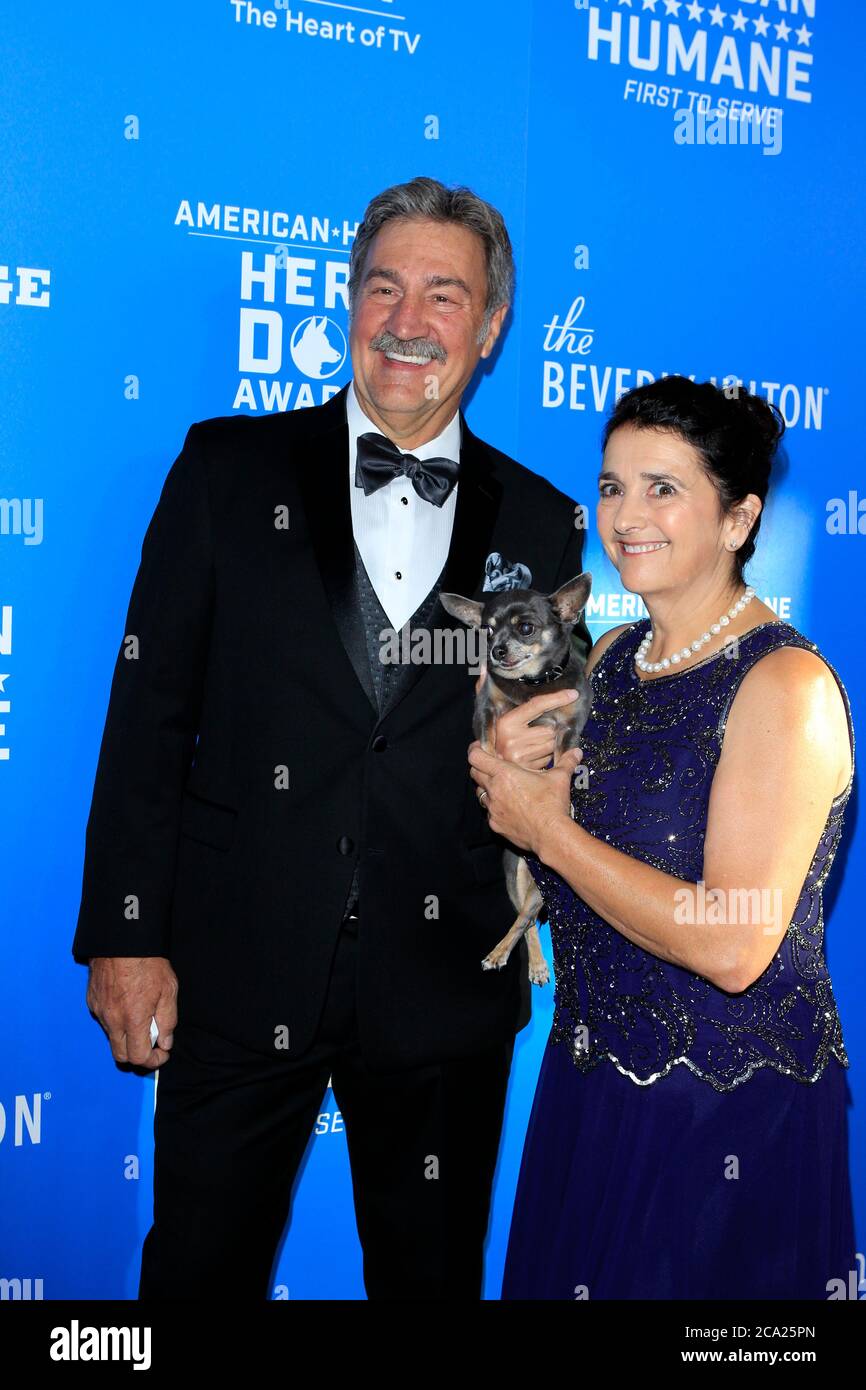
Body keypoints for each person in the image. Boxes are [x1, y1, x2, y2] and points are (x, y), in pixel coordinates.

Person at [71, 175, 592, 1300]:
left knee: (430, 1280)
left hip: (443, 986)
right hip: (234, 957)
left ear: (492, 324)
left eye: (443, 295)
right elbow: (147, 713)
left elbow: (538, 749)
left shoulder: (541, 520)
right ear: (348, 301)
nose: (407, 322)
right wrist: (124, 931)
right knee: (195, 1275)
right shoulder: (225, 470)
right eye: (383, 288)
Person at [467, 376, 856, 1300]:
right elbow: (568, 839)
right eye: (611, 486)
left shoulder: (785, 688)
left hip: (721, 1118)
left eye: (663, 488)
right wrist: (519, 772)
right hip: (590, 1091)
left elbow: (731, 943)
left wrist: (547, 832)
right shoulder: (610, 658)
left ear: (739, 518)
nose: (626, 515)